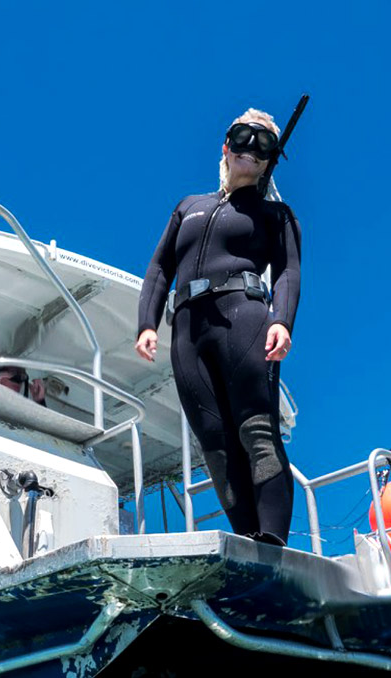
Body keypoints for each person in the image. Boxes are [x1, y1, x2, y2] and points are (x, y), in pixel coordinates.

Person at [134, 109, 302, 545]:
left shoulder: (276, 215)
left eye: (264, 143)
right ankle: (247, 544)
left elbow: (288, 272)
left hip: (244, 318)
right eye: (243, 136)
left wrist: (282, 321)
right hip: (187, 331)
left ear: (269, 160)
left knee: (256, 430)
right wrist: (147, 324)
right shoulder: (188, 206)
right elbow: (159, 269)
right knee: (215, 444)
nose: (251, 148)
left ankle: (273, 542)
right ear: (226, 146)